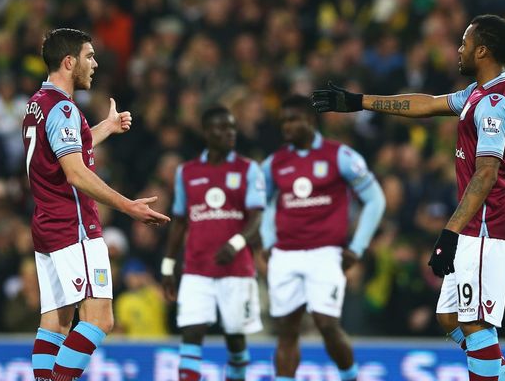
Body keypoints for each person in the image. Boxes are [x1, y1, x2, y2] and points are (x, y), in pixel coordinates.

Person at [313, 14, 505, 381]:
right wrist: (358, 101)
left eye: (464, 43)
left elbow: (486, 173)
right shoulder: (479, 93)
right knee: (450, 317)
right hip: (478, 225)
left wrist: (450, 232)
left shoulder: (493, 104)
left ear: (483, 50)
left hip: (489, 227)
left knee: (473, 323)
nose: (459, 50)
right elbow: (425, 104)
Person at [22, 28, 170, 381]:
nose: (95, 63)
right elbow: (75, 173)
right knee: (99, 319)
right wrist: (128, 206)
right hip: (75, 228)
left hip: (47, 226)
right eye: (89, 56)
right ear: (69, 61)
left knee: (56, 323)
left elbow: (59, 154)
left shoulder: (37, 104)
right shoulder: (63, 108)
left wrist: (102, 128)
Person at [260, 95, 386, 381]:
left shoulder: (339, 155)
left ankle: (349, 375)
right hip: (285, 254)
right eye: (283, 122)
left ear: (310, 120)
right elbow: (263, 203)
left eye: (293, 120)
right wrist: (268, 241)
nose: (287, 127)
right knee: (286, 330)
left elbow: (375, 199)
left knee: (326, 324)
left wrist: (357, 247)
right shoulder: (275, 163)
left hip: (325, 254)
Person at [162, 106, 266, 381]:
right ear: (206, 132)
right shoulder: (187, 172)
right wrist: (168, 265)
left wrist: (236, 242)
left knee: (235, 340)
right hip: (197, 270)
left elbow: (257, 218)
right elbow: (180, 221)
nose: (229, 133)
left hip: (237, 271)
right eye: (222, 128)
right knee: (191, 333)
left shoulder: (248, 169)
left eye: (232, 127)